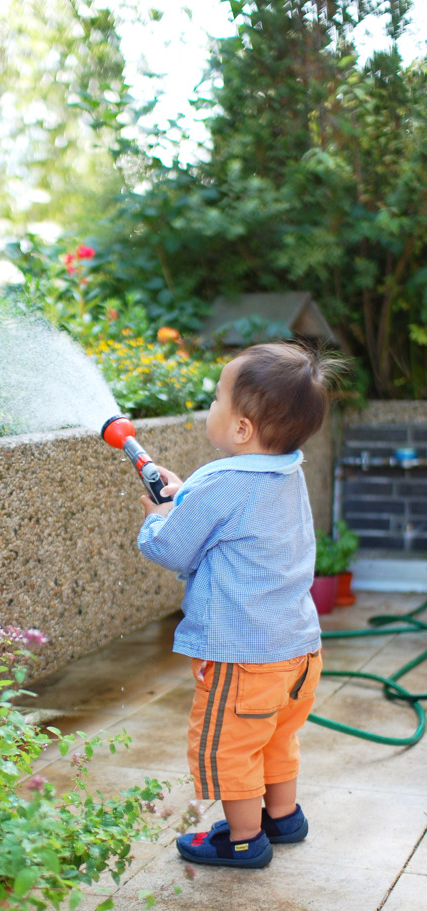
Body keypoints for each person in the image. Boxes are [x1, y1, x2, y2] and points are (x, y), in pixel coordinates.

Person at [138, 340, 340, 869]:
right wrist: (188, 499)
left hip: (244, 656)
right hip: (298, 651)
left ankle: (245, 840)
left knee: (231, 747)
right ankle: (284, 816)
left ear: (242, 429)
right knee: (276, 737)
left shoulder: (221, 481)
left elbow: (174, 546)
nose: (211, 406)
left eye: (216, 398)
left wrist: (160, 517)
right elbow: (227, 521)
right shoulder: (286, 471)